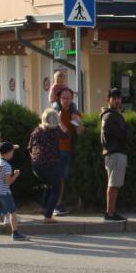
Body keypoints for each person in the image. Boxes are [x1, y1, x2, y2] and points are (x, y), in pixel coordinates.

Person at [26, 107, 68, 224]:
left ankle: (44, 207)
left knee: (49, 184)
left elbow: (29, 147)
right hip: (51, 163)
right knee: (56, 188)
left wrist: (34, 159)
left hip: (37, 165)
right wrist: (61, 122)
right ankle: (48, 216)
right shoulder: (55, 130)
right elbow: (66, 135)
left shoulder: (37, 131)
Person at [99, 87, 129, 221]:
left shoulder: (112, 115)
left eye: (119, 98)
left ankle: (111, 212)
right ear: (108, 100)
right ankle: (110, 213)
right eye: (114, 98)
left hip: (114, 152)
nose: (117, 101)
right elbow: (123, 134)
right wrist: (127, 131)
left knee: (114, 184)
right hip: (115, 152)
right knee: (114, 184)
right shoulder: (110, 116)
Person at [51, 86, 81, 216]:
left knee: (62, 178)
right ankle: (53, 205)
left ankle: (57, 204)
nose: (66, 101)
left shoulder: (74, 112)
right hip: (54, 150)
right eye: (63, 98)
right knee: (55, 178)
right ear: (59, 99)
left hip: (67, 150)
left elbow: (80, 131)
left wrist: (78, 123)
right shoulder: (55, 111)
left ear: (72, 99)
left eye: (68, 98)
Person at [0, 141, 27, 242]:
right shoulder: (7, 166)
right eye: (12, 151)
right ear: (8, 153)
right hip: (5, 193)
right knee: (12, 212)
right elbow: (8, 182)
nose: (12, 154)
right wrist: (16, 175)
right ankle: (15, 233)